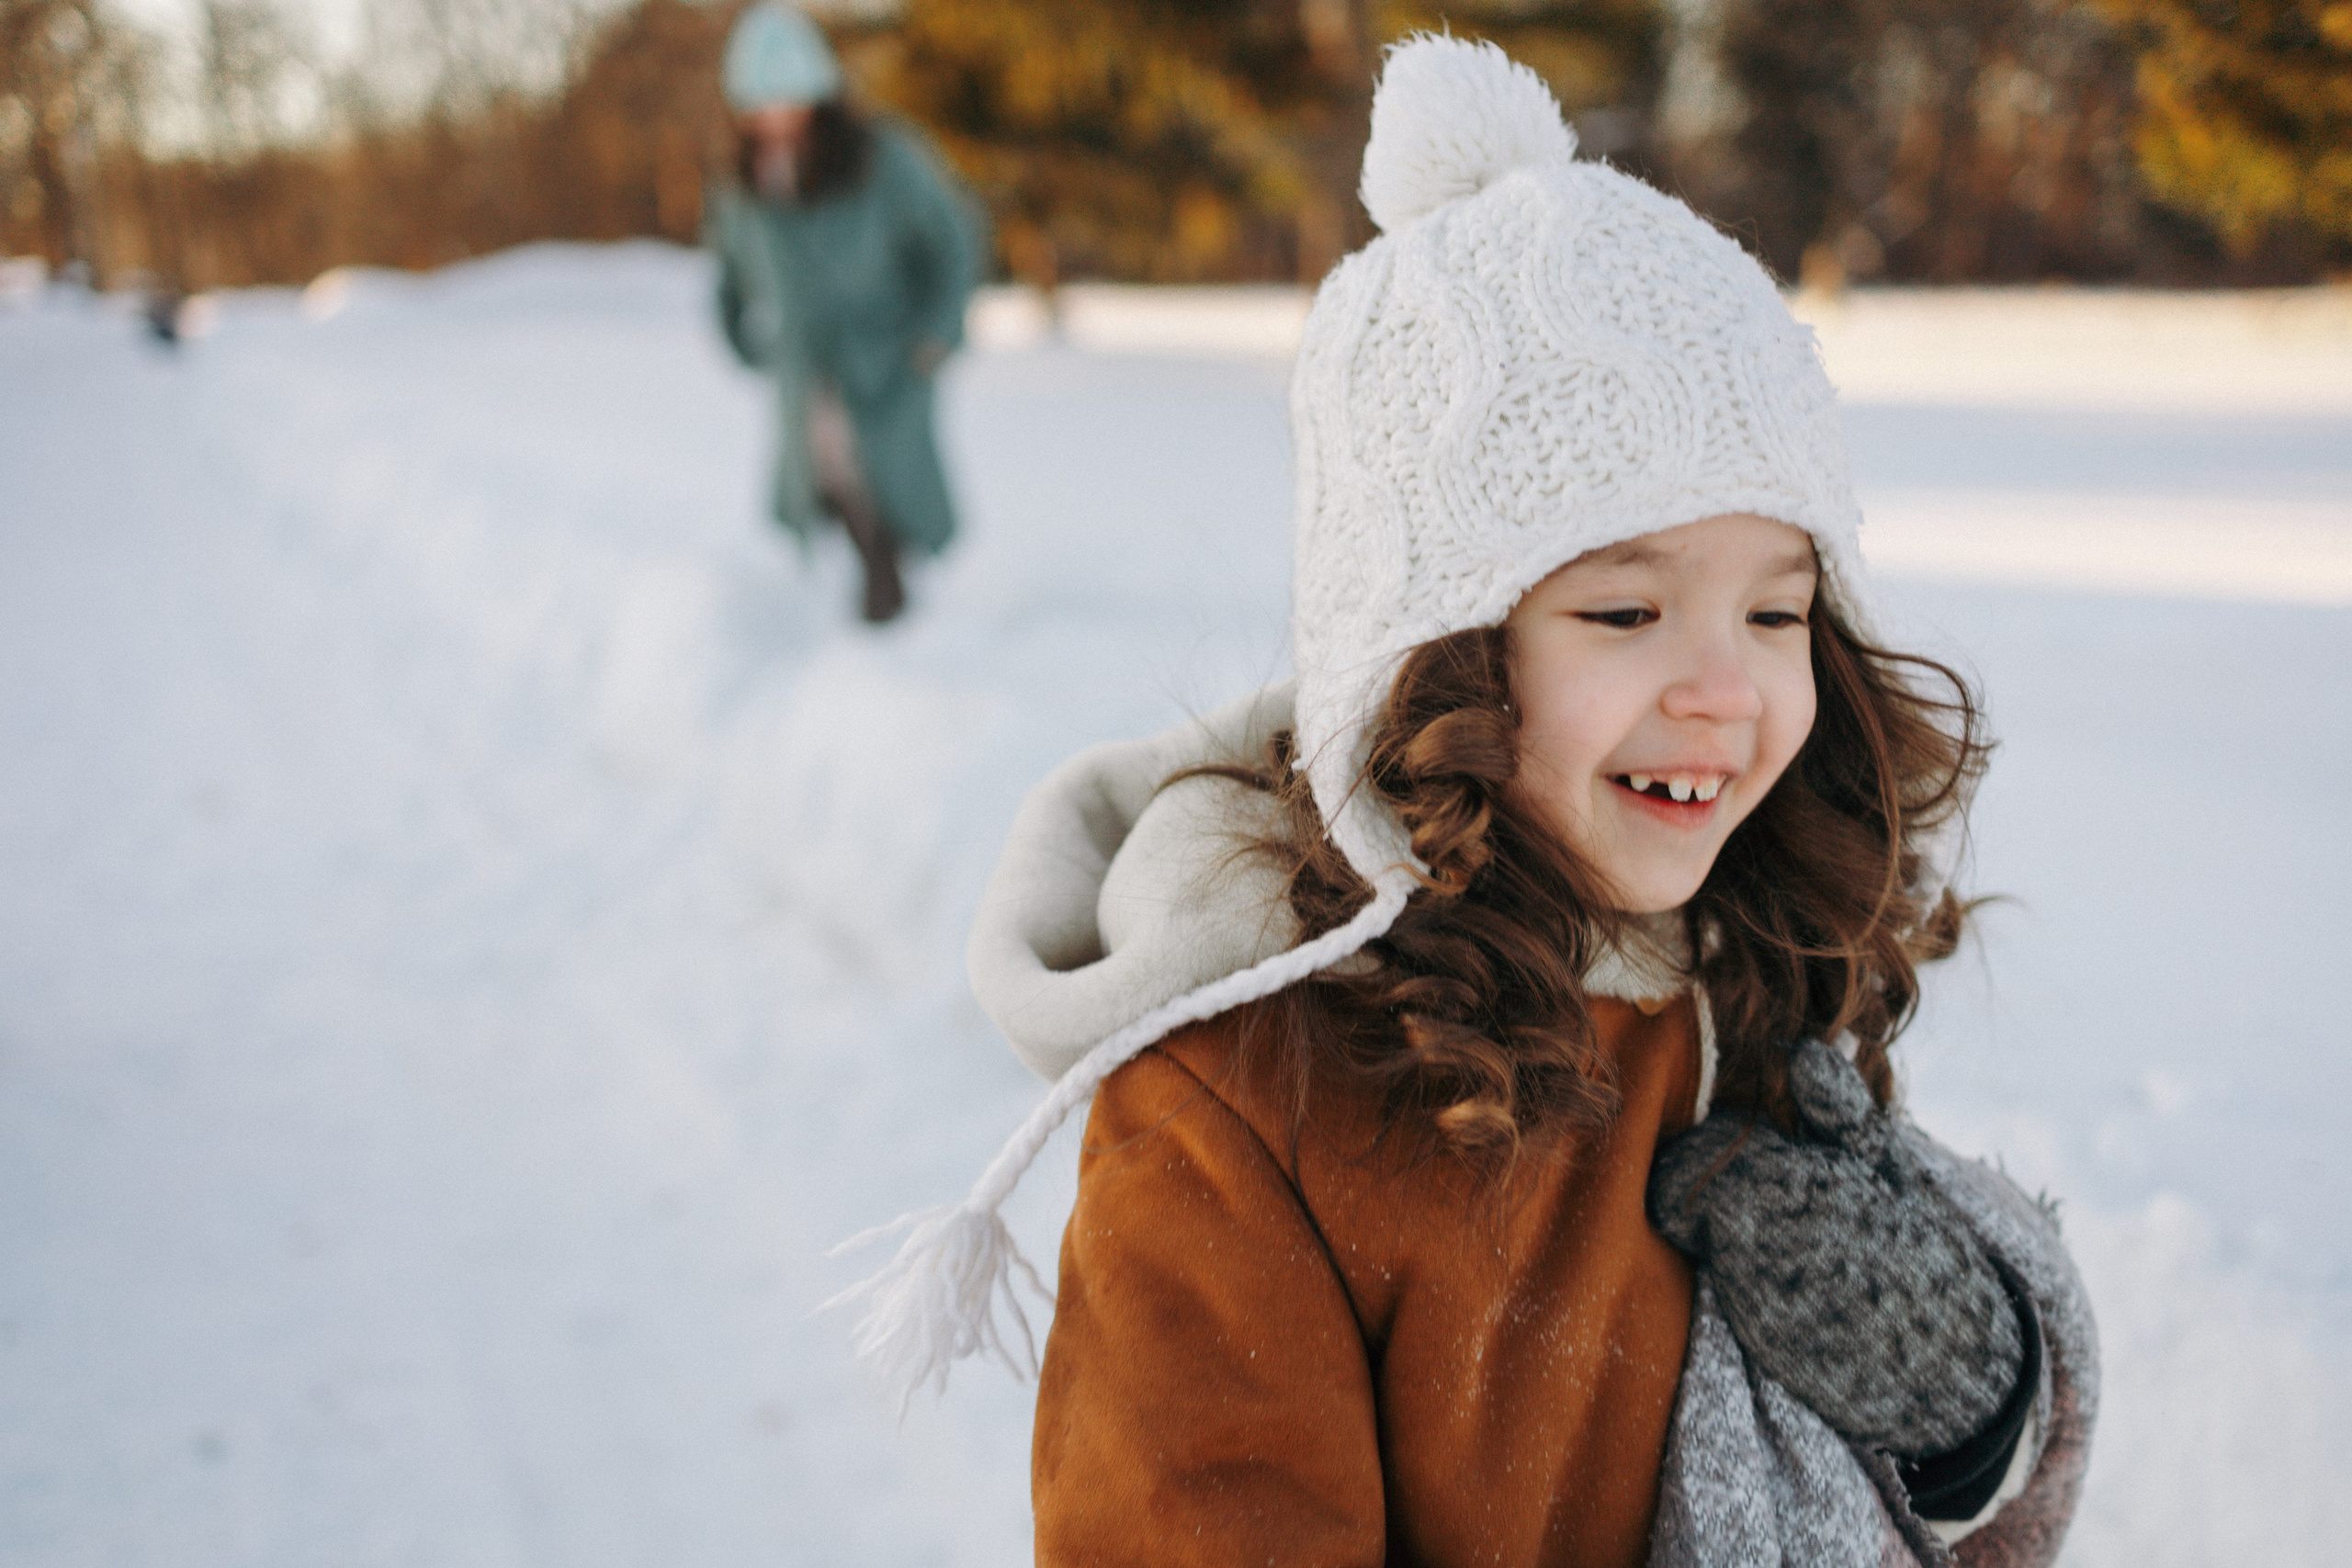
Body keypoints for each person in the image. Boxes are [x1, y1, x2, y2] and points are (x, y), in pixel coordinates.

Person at [830, 36, 2096, 1568]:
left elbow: (1932, 1503)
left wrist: (1971, 1409)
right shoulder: (1246, 1101)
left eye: (1776, 612)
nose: (1728, 688)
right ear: (1429, 664)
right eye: (1624, 614)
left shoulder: (1747, 960)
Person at [706, 2, 982, 624]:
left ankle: (893, 596)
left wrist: (938, 331)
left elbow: (953, 238)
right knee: (820, 468)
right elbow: (729, 271)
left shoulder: (883, 157)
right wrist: (742, 337)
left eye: (786, 97)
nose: (774, 115)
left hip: (886, 352)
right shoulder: (742, 181)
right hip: (803, 361)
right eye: (759, 101)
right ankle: (858, 595)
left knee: (884, 469)